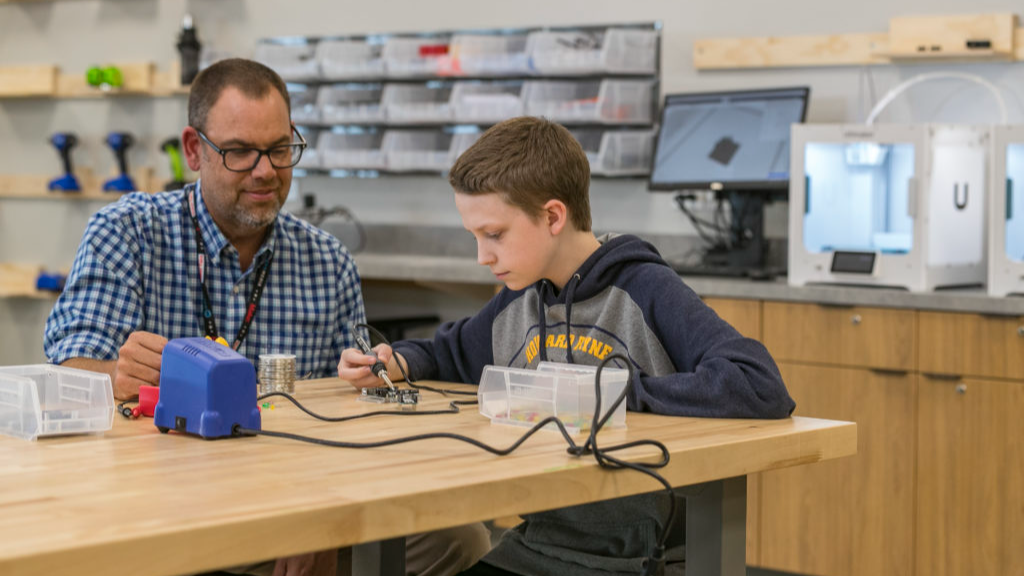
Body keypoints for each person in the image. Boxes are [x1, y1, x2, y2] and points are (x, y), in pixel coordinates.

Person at [43, 58, 489, 576]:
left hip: (295, 499)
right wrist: (113, 377)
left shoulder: (327, 262)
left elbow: (355, 419)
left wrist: (326, 519)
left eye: (280, 149)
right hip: (155, 504)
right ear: (194, 149)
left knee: (456, 539)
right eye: (239, 153)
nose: (266, 171)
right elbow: (66, 372)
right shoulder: (128, 234)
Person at [337, 116, 796, 576]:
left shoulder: (645, 288)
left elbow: (758, 383)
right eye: (474, 237)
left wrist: (613, 396)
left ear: (554, 216)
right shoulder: (520, 297)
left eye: (494, 234)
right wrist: (393, 362)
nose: (482, 256)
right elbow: (449, 353)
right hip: (537, 548)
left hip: (636, 560)